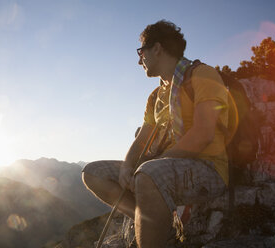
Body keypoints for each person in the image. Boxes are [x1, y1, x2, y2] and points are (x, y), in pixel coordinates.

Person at [82, 20, 229, 248]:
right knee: (92, 173)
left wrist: (150, 168)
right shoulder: (155, 96)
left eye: (141, 52)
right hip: (161, 167)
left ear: (157, 49)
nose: (139, 60)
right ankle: (157, 222)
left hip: (208, 168)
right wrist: (127, 166)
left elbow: (203, 133)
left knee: (148, 174)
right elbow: (142, 139)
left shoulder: (203, 75)